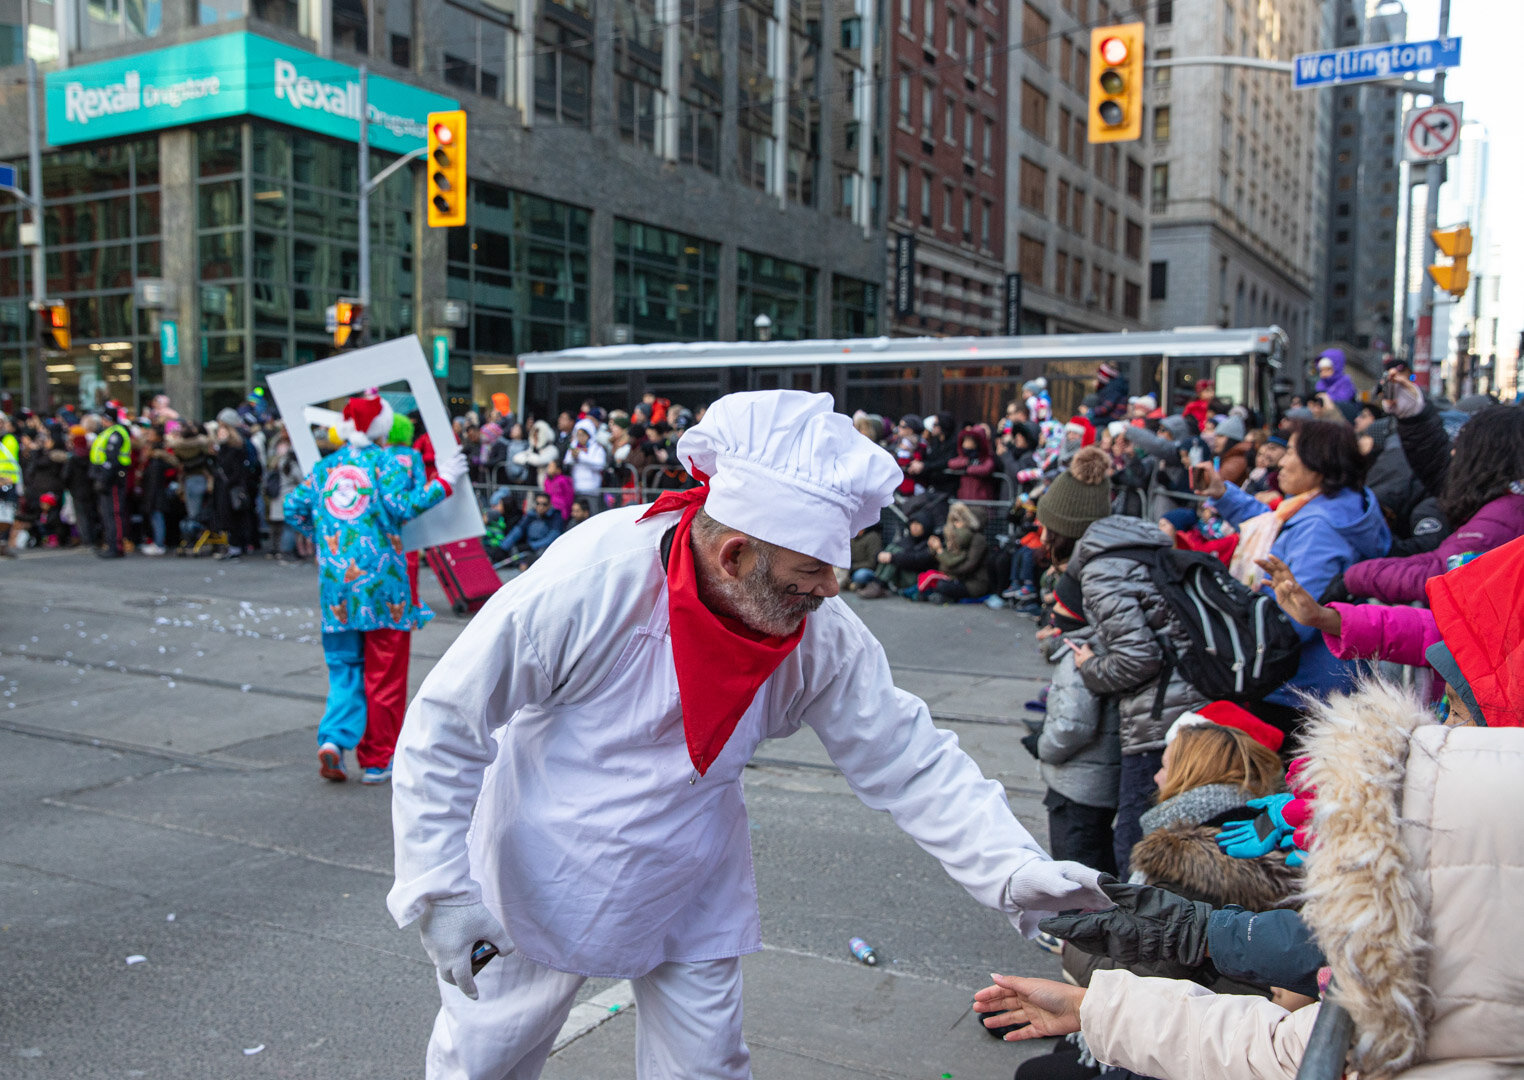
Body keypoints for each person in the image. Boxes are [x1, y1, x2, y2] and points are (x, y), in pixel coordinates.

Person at [387, 390, 1109, 1080]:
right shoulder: (594, 576)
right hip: (541, 865)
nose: (832, 588)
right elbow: (448, 720)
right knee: (486, 1057)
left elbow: (906, 755)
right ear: (734, 557)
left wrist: (1010, 869)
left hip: (691, 873)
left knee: (706, 1066)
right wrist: (443, 891)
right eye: (811, 569)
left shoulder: (822, 633)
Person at [973, 675, 1524, 1080]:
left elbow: (1243, 1016)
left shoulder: (1178, 848)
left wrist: (1074, 960)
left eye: (1169, 759)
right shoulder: (1258, 824)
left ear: (1192, 767)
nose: (1157, 770)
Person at [1041, 447, 1211, 875]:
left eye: (1047, 529)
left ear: (1065, 532)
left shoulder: (1099, 569)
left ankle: (1129, 938)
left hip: (1157, 718)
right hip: (1180, 701)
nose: (1041, 539)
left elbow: (1139, 656)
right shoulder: (1132, 546)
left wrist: (1087, 667)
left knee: (1134, 845)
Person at [284, 392, 468, 784]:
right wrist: (447, 481)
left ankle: (334, 739)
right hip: (383, 586)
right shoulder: (388, 463)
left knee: (344, 668)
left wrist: (325, 536)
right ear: (383, 426)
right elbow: (403, 507)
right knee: (384, 673)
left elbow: (293, 508)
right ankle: (377, 760)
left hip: (336, 590)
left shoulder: (326, 468)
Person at [1195, 421, 1390, 730]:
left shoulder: (1320, 528)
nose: (1281, 462)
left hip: (1300, 689)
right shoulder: (1335, 505)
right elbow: (1272, 525)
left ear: (1320, 462)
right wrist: (1223, 493)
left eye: (1290, 452)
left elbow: (1297, 619)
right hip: (1319, 682)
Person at [1342, 403, 1524, 604]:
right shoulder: (1502, 503)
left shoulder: (1506, 511)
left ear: (1487, 454)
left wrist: (1354, 577)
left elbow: (1439, 573)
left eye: (1461, 445)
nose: (1454, 454)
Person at [921, 500, 992, 603]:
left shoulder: (978, 539)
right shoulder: (955, 536)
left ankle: (945, 597)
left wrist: (947, 568)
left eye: (958, 520)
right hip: (958, 578)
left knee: (941, 585)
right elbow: (947, 560)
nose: (955, 524)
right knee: (928, 579)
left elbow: (969, 565)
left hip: (973, 583)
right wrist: (936, 550)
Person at [90, 406, 133, 558]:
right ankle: (111, 544)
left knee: (114, 513)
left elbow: (112, 459)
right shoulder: (108, 432)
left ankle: (117, 546)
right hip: (106, 476)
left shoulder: (116, 433)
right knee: (107, 513)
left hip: (113, 477)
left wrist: (104, 478)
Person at [495, 492, 564, 566]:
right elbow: (518, 530)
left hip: (543, 549)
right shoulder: (531, 515)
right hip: (528, 547)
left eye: (544, 504)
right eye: (538, 503)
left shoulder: (556, 517)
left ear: (550, 505)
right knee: (513, 551)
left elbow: (552, 538)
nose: (541, 507)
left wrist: (531, 546)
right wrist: (503, 547)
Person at [0, 412, 20, 556]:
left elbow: (12, 463)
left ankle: (3, 544)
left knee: (7, 515)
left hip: (8, 482)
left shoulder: (9, 439)